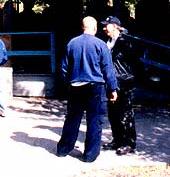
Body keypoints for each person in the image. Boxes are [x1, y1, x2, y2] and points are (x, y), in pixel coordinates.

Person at [56, 16, 118, 163]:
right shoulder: (101, 45)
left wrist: (67, 84)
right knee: (94, 121)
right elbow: (107, 69)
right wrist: (113, 88)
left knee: (72, 119)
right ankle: (89, 155)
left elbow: (64, 68)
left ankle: (63, 149)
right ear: (95, 28)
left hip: (76, 86)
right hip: (95, 87)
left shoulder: (72, 43)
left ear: (82, 27)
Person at [101, 16, 137, 156]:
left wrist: (129, 76)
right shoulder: (108, 42)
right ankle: (117, 139)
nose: (104, 28)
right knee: (113, 113)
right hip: (112, 81)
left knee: (126, 113)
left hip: (125, 81)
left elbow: (134, 62)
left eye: (107, 25)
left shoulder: (126, 42)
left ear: (115, 26)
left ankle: (129, 143)